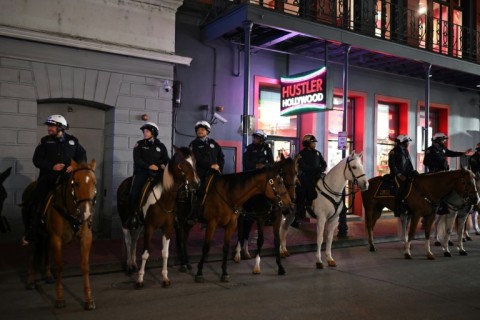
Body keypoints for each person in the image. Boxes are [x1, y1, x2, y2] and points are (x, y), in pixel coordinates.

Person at [23, 114, 87, 245]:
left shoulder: (73, 141)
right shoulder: (45, 141)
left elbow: (82, 156)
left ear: (60, 127)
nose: (48, 129)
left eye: (51, 126)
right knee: (37, 199)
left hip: (68, 178)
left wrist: (73, 166)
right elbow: (37, 160)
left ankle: (81, 228)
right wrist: (52, 166)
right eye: (49, 126)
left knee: (83, 197)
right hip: (48, 178)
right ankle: (32, 231)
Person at [127, 122, 169, 229]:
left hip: (158, 173)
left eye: (147, 131)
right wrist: (149, 166)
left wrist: (165, 165)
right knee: (134, 192)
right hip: (142, 172)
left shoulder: (161, 146)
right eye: (144, 131)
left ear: (153, 132)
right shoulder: (139, 144)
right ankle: (133, 215)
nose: (145, 133)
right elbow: (137, 160)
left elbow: (166, 159)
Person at [188, 120, 225, 222]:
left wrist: (219, 167)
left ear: (207, 131)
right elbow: (197, 159)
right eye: (198, 130)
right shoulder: (194, 144)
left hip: (215, 173)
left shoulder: (213, 143)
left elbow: (221, 157)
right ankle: (194, 214)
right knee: (201, 192)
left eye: (202, 129)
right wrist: (210, 166)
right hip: (200, 174)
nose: (199, 131)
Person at [296, 134, 327, 219]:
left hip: (318, 175)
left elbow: (324, 163)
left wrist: (321, 169)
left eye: (314, 143)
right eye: (313, 143)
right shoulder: (301, 154)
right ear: (307, 143)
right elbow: (303, 166)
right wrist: (314, 170)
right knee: (301, 193)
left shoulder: (317, 153)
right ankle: (300, 212)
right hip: (306, 177)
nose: (315, 144)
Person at [388, 134, 418, 217]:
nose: (408, 143)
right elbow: (392, 165)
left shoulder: (405, 150)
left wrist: (413, 171)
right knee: (400, 189)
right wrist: (399, 175)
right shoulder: (393, 151)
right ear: (402, 142)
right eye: (407, 141)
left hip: (407, 174)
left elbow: (408, 163)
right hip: (397, 175)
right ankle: (397, 209)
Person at [467, 143, 480, 235]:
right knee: (476, 204)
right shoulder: (473, 158)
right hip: (477, 180)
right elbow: (476, 169)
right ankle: (475, 227)